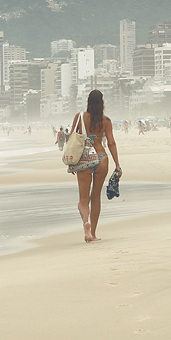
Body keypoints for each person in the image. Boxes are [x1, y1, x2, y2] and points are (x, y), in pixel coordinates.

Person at [68, 89, 121, 242]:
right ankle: (94, 233)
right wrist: (117, 165)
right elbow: (111, 143)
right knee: (96, 197)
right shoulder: (106, 121)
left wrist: (72, 161)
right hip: (101, 157)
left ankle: (86, 224)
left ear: (88, 102)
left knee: (83, 200)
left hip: (84, 159)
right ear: (102, 102)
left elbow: (71, 138)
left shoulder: (80, 117)